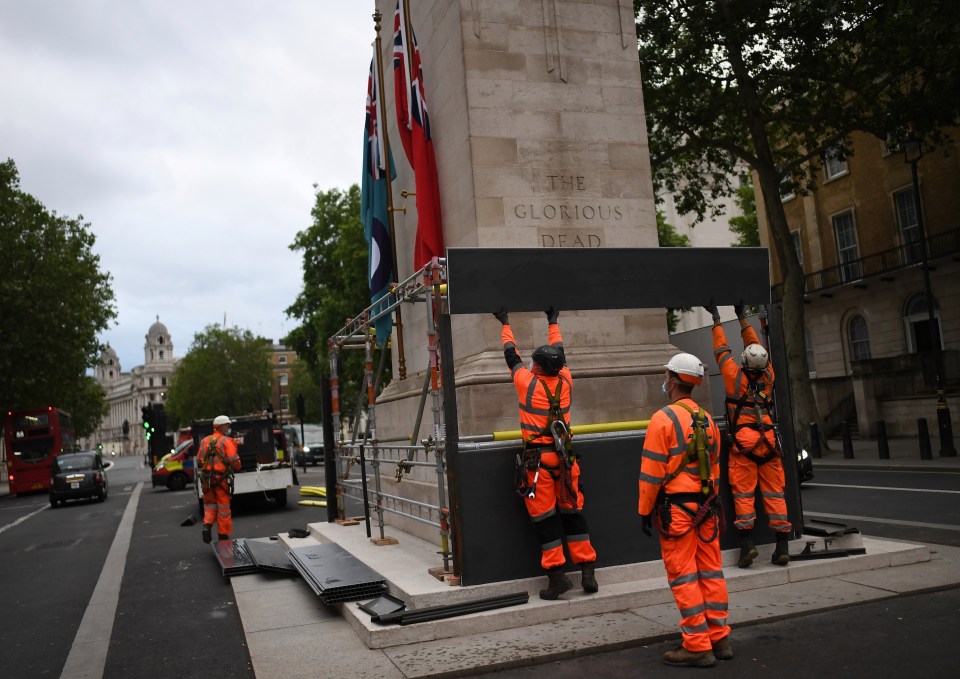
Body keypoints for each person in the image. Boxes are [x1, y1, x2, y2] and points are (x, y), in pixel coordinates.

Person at [493, 307, 598, 600]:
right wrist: (553, 322)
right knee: (573, 514)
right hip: (566, 462)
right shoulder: (566, 379)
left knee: (546, 520)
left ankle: (557, 578)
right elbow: (561, 350)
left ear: (537, 368)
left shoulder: (526, 383)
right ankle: (588, 570)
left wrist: (505, 323)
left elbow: (510, 355)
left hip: (537, 465)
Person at [639, 352, 731, 668]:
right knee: (711, 572)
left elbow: (651, 474)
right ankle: (719, 638)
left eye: (667, 375)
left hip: (676, 512)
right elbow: (716, 470)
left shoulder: (662, 420)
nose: (664, 380)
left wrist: (644, 509)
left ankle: (697, 645)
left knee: (684, 575)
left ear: (674, 381)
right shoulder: (709, 421)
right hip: (707, 509)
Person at [704, 303, 791, 568]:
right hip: (769, 441)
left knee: (743, 494)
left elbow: (721, 350)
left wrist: (718, 319)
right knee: (775, 493)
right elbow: (755, 345)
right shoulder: (769, 375)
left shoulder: (734, 375)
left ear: (744, 362)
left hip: (743, 442)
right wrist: (743, 318)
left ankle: (746, 545)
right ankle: (782, 546)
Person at [197, 415, 241, 543]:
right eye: (227, 425)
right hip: (221, 480)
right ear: (221, 426)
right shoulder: (226, 441)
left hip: (207, 480)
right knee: (223, 508)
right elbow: (234, 460)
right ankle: (223, 535)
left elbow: (200, 460)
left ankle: (207, 526)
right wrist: (237, 467)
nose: (228, 427)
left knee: (210, 505)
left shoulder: (204, 441)